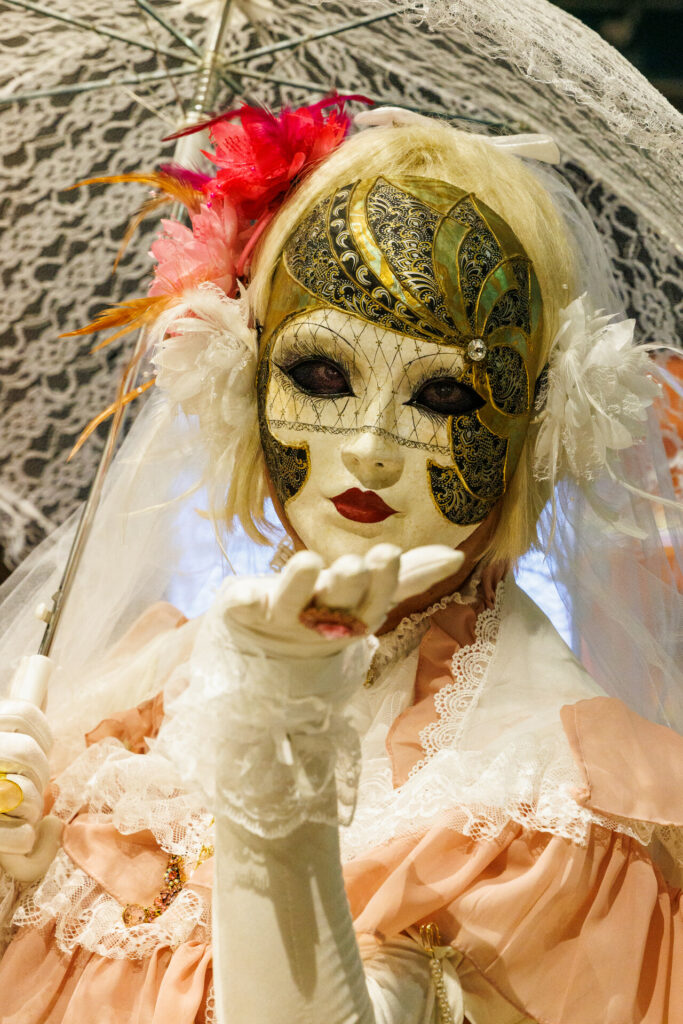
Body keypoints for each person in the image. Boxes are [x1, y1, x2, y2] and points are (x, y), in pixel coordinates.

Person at [0, 100, 680, 1024]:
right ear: (248, 369)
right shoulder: (140, 694)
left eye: (444, 393)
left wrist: (275, 762)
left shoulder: (539, 804)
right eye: (322, 375)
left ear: (538, 423)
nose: (368, 448)